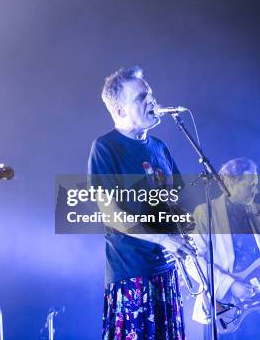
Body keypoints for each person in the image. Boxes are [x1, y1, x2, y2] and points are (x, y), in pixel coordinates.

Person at [88, 66, 189, 339]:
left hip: (166, 272)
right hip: (131, 274)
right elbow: (111, 215)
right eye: (141, 97)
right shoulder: (105, 148)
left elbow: (176, 203)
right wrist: (163, 240)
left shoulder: (160, 148)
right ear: (120, 111)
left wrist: (184, 236)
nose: (151, 101)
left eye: (150, 94)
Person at [191, 158, 260, 339]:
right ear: (228, 181)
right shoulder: (206, 212)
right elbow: (194, 261)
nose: (255, 190)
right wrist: (231, 285)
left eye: (256, 184)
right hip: (226, 310)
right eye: (250, 184)